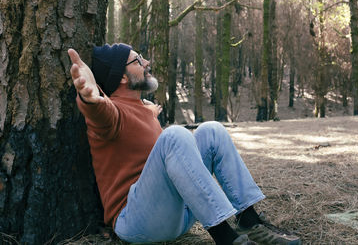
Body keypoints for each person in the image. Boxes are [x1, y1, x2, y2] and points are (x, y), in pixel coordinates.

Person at [68, 43, 301, 245]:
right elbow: (102, 114)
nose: (146, 62)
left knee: (212, 131)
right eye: (138, 60)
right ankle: (225, 238)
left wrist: (149, 114)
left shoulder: (142, 108)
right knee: (175, 136)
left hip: (175, 215)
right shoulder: (113, 113)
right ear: (122, 76)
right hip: (136, 220)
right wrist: (91, 98)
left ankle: (249, 220)